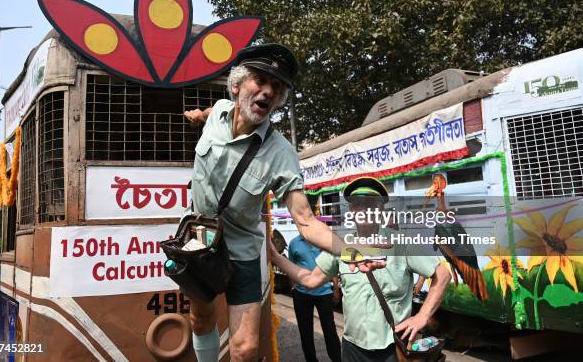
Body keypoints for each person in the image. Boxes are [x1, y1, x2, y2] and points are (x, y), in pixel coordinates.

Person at [183, 44, 385, 362]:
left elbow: (305, 221)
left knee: (246, 349)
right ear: (237, 86)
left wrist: (351, 253)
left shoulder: (281, 153)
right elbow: (212, 115)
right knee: (200, 319)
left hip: (243, 254)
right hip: (199, 242)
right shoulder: (219, 111)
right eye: (260, 81)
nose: (267, 91)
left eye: (276, 87)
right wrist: (198, 116)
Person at [270, 177, 451, 362]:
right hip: (352, 349)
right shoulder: (340, 246)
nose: (364, 209)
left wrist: (422, 316)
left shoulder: (402, 243)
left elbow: (443, 275)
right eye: (357, 204)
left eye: (371, 203)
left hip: (392, 348)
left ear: (380, 209)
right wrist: (275, 257)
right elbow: (310, 279)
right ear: (351, 210)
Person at [288, 234, 342, 362]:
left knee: (330, 329)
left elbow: (332, 265)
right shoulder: (294, 243)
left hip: (324, 293)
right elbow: (291, 264)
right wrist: (292, 286)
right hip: (301, 294)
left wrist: (335, 288)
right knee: (305, 331)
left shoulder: (322, 241)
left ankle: (337, 358)